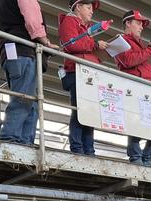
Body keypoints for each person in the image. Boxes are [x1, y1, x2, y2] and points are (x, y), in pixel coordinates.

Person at [0, 0, 58, 145]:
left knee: (29, 101)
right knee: (23, 99)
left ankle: (24, 141)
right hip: (24, 52)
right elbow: (33, 21)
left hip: (11, 52)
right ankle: (10, 138)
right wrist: (46, 43)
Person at [115, 10, 151, 166]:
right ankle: (137, 157)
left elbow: (150, 71)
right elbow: (128, 61)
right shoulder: (120, 41)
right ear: (128, 23)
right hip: (133, 88)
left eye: (142, 24)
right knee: (136, 123)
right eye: (138, 23)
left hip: (148, 88)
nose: (141, 27)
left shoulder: (141, 46)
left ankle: (147, 158)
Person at [59, 0, 108, 156]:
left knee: (89, 112)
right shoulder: (69, 21)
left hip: (87, 73)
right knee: (81, 110)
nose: (91, 11)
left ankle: (88, 148)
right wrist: (94, 46)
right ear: (78, 7)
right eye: (88, 7)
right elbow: (70, 44)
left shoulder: (84, 29)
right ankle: (78, 147)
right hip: (77, 71)